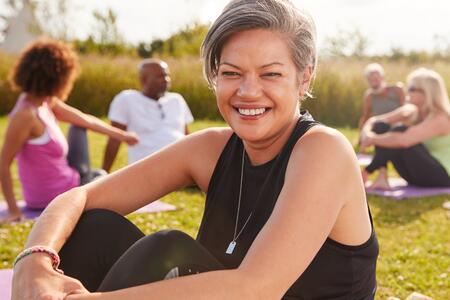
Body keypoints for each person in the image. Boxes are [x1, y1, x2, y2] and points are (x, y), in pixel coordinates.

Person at [12, 1, 378, 299]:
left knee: (166, 247)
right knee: (95, 226)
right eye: (232, 73)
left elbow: (257, 288)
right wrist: (35, 260)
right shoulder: (211, 148)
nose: (249, 92)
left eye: (271, 74)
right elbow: (79, 198)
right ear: (215, 76)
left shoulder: (323, 150)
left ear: (304, 78)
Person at [0, 38, 138, 223]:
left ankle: (95, 177)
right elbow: (3, 164)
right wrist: (13, 210)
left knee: (80, 128)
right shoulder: (26, 116)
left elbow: (84, 119)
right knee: (104, 179)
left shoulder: (44, 102)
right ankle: (95, 177)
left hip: (65, 181)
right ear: (57, 78)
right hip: (58, 196)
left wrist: (122, 136)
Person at [361, 68, 450, 190]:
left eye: (412, 89)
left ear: (427, 92)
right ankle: (382, 177)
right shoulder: (411, 110)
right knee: (382, 126)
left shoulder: (441, 118)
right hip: (415, 175)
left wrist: (372, 139)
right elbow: (375, 121)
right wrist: (367, 134)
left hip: (442, 177)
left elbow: (404, 140)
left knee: (400, 130)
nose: (406, 91)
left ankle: (365, 173)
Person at [102, 59, 194, 172]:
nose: (166, 80)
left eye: (167, 75)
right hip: (149, 168)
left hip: (184, 164)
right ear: (144, 80)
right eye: (160, 76)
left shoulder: (176, 100)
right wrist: (104, 172)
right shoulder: (127, 99)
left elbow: (187, 136)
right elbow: (114, 139)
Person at [358, 63, 405, 186]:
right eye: (371, 79)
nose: (375, 81)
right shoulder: (369, 96)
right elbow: (366, 116)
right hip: (381, 128)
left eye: (377, 77)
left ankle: (369, 172)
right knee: (380, 126)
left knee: (381, 128)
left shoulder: (397, 89)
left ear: (382, 77)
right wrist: (361, 136)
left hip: (399, 129)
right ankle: (382, 176)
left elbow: (407, 110)